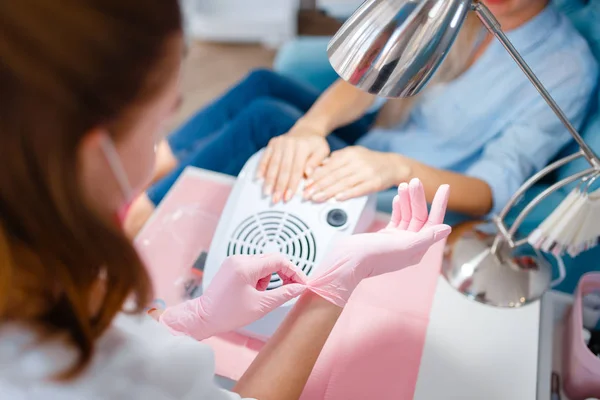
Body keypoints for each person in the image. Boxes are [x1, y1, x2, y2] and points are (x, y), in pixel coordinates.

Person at [0, 1, 452, 398]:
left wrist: (189, 319)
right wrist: (333, 287)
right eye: (159, 124)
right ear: (99, 153)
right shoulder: (92, 371)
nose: (162, 144)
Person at [124, 0, 598, 238]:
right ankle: (147, 176)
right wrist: (311, 128)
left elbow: (493, 191)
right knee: (263, 86)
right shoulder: (458, 13)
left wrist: (398, 170)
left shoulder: (565, 68)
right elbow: (372, 81)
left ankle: (140, 223)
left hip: (412, 182)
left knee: (265, 118)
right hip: (381, 137)